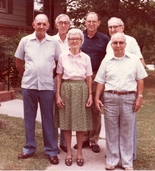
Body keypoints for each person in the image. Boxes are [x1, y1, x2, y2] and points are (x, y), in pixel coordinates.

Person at [94, 32, 148, 170]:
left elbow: (140, 79)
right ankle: (112, 160)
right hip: (110, 98)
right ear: (111, 45)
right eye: (115, 43)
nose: (118, 46)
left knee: (127, 130)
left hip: (129, 98)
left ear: (125, 44)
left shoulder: (134, 60)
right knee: (111, 130)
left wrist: (139, 97)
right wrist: (96, 98)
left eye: (121, 43)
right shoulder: (106, 60)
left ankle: (126, 162)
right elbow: (100, 81)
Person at [15, 14, 61, 165]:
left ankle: (51, 150)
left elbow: (58, 64)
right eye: (38, 23)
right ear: (33, 24)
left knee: (48, 119)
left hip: (47, 86)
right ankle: (29, 148)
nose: (41, 26)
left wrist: (48, 75)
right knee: (29, 118)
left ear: (48, 26)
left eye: (44, 24)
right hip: (29, 85)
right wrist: (28, 75)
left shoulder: (53, 43)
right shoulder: (25, 41)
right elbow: (19, 62)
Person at [106, 17, 145, 160]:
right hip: (113, 90)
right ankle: (114, 154)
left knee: (128, 127)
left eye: (115, 26)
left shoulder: (131, 41)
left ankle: (130, 155)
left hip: (129, 90)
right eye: (110, 27)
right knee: (113, 127)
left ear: (122, 27)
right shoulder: (109, 43)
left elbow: (140, 62)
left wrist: (139, 94)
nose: (112, 29)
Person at [55, 28, 93, 166]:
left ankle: (80, 153)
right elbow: (58, 76)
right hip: (66, 88)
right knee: (66, 122)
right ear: (68, 41)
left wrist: (90, 95)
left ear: (81, 41)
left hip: (81, 89)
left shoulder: (86, 58)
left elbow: (89, 78)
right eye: (71, 39)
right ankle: (69, 153)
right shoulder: (63, 56)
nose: (74, 41)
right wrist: (58, 95)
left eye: (77, 38)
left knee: (80, 123)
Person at [73, 12, 110, 153]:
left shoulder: (104, 39)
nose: (91, 24)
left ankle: (94, 139)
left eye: (94, 21)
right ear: (85, 22)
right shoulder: (79, 37)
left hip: (96, 77)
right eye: (89, 21)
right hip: (80, 77)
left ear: (99, 23)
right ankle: (83, 139)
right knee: (82, 109)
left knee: (95, 108)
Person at [52, 14, 71, 153]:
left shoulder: (73, 40)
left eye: (66, 23)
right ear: (56, 24)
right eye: (61, 23)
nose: (63, 25)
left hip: (69, 80)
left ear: (69, 25)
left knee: (65, 111)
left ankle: (64, 142)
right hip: (54, 78)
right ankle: (53, 143)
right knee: (53, 112)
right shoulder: (51, 41)